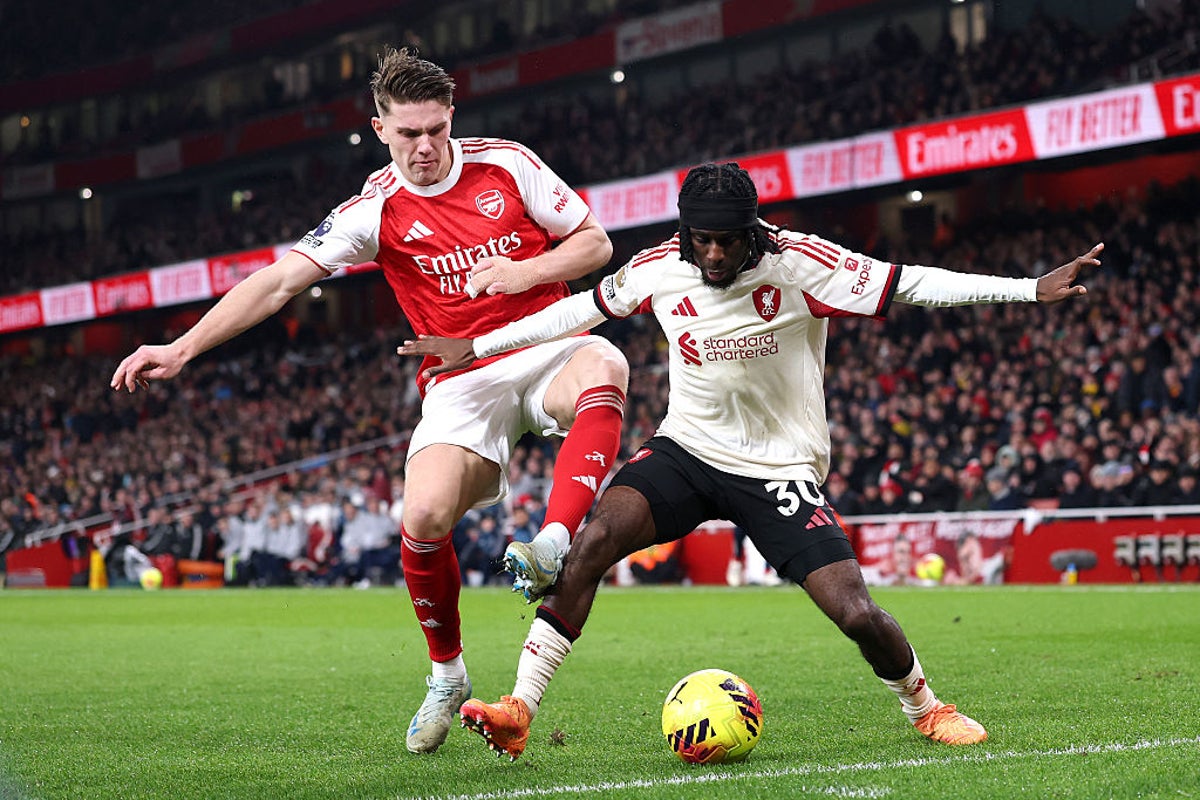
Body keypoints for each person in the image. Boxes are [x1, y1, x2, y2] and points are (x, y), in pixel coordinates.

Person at [397, 161, 1101, 758]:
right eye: (701, 241)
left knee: (854, 611)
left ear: (752, 231)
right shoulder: (659, 267)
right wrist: (477, 348)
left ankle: (926, 707)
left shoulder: (801, 264)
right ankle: (519, 709)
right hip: (687, 449)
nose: (713, 256)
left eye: (727, 242)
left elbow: (909, 281)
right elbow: (575, 312)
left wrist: (1026, 290)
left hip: (777, 468)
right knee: (594, 541)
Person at [109, 47, 629, 754]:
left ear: (452, 118)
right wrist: (181, 348)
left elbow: (595, 244)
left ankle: (553, 543)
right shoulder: (373, 209)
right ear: (380, 129)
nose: (425, 146)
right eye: (409, 133)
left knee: (606, 360)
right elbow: (277, 283)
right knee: (423, 517)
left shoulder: (508, 164)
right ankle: (446, 675)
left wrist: (523, 271)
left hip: (544, 343)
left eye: (437, 129)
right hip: (459, 380)